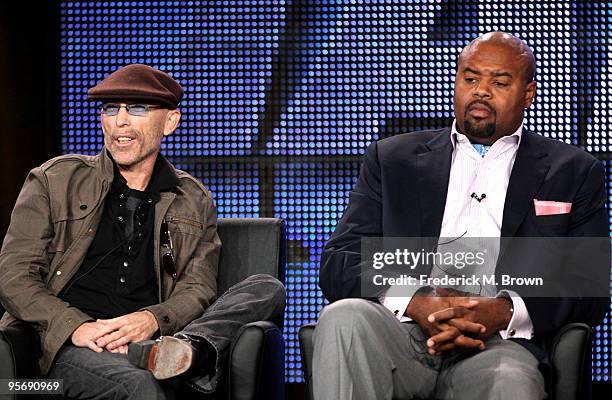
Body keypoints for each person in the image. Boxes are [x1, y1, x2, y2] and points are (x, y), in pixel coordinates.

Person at [314, 32, 610, 399]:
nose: (481, 91)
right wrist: (417, 301)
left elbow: (588, 286)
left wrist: (501, 311)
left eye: (499, 82)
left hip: (499, 344)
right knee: (343, 317)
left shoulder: (573, 171)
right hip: (402, 333)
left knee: (512, 385)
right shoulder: (393, 160)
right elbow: (340, 260)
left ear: (528, 93)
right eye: (470, 79)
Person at [0, 64, 285, 399]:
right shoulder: (54, 180)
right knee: (139, 384)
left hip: (152, 342)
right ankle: (182, 360)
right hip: (64, 350)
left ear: (170, 121)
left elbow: (197, 287)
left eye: (137, 108)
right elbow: (15, 277)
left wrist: (151, 319)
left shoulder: (192, 198)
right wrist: (75, 326)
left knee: (266, 287)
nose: (120, 120)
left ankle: (184, 351)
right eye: (111, 109)